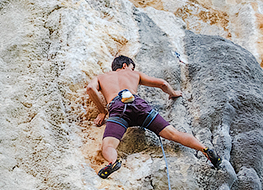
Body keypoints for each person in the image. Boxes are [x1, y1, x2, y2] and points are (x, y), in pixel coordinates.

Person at [86, 55, 221, 178]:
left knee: (108, 146)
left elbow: (90, 89)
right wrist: (173, 93)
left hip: (118, 109)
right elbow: (162, 84)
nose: (132, 71)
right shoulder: (135, 75)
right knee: (173, 134)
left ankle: (113, 162)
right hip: (138, 105)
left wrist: (102, 112)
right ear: (125, 66)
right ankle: (205, 149)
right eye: (132, 68)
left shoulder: (102, 77)